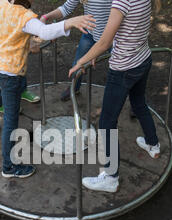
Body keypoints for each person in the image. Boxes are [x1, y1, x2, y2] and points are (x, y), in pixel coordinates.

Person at [0, 0, 96, 178]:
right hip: (11, 74)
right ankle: (9, 167)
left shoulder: (2, 5)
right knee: (10, 120)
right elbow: (44, 32)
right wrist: (70, 22)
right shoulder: (25, 17)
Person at [69, 0, 161, 192]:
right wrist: (95, 52)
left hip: (123, 69)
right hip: (142, 59)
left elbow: (104, 42)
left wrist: (81, 62)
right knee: (139, 103)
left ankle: (111, 178)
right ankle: (153, 145)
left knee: (106, 123)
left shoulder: (122, 2)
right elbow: (124, 32)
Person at [0, 0, 40, 115]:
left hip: (7, 26)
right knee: (1, 67)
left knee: (18, 57)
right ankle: (1, 103)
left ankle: (22, 91)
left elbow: (20, 6)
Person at [40, 0, 113, 102]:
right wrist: (46, 17)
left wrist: (98, 49)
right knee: (77, 65)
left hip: (113, 37)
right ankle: (74, 88)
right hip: (90, 33)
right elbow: (66, 8)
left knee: (121, 71)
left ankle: (134, 102)